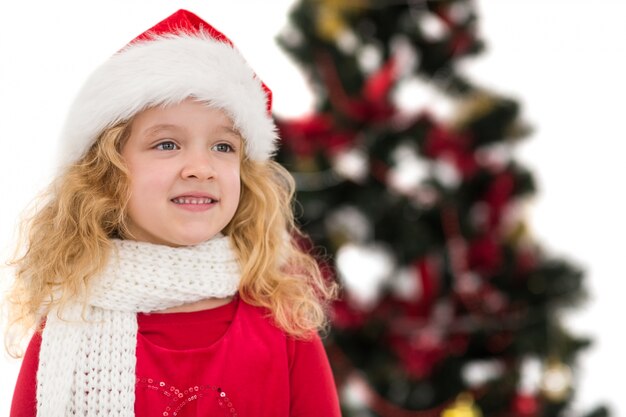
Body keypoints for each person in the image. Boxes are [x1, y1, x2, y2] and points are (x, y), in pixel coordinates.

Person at [6, 9, 340, 417]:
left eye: (223, 147)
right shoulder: (64, 334)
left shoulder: (285, 328)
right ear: (108, 174)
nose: (201, 167)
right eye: (167, 144)